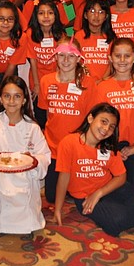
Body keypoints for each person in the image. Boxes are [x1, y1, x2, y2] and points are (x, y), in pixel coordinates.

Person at [53, 103, 134, 237]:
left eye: (111, 126)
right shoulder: (69, 143)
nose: (106, 129)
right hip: (85, 197)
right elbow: (63, 178)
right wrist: (58, 210)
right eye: (103, 122)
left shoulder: (108, 146)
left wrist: (99, 193)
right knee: (114, 223)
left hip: (109, 188)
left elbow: (121, 176)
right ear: (90, 119)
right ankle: (132, 215)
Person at [0, 76, 51, 234]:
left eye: (17, 96)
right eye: (7, 96)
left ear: (24, 100)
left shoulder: (32, 128)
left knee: (26, 211)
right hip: (0, 180)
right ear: (1, 99)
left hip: (26, 180)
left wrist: (32, 162)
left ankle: (28, 220)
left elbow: (44, 155)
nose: (12, 101)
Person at [90, 37, 134, 191]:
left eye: (127, 55)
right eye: (118, 56)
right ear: (110, 58)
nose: (122, 60)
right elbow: (98, 122)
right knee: (111, 190)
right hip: (109, 146)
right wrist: (113, 148)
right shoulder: (102, 87)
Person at [37, 39, 95, 202]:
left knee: (79, 194)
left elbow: (92, 118)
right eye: (61, 55)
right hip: (54, 147)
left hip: (78, 147)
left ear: (79, 59)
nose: (66, 60)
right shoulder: (46, 81)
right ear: (55, 57)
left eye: (71, 56)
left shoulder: (88, 83)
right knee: (52, 197)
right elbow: (44, 113)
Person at [25, 0, 67, 95]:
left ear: (55, 15)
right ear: (36, 16)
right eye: (41, 13)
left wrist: (57, 82)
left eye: (50, 13)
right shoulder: (30, 34)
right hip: (37, 78)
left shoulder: (61, 35)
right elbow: (33, 61)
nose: (46, 16)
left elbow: (59, 62)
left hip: (56, 77)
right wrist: (36, 84)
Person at [74, 0, 116, 80]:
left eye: (101, 12)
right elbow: (76, 61)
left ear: (106, 17)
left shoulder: (111, 37)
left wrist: (102, 80)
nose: (96, 15)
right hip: (84, 80)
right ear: (86, 15)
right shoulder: (78, 36)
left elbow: (112, 63)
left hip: (105, 81)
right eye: (92, 11)